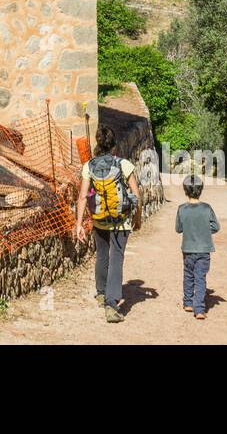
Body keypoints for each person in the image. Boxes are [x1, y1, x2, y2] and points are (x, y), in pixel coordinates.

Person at [74, 125, 141, 323]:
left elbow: (82, 196)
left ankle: (101, 293)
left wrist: (78, 224)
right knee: (116, 258)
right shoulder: (124, 164)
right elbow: (137, 195)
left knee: (102, 255)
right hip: (121, 221)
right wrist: (137, 219)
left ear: (98, 143)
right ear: (114, 144)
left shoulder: (89, 166)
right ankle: (111, 305)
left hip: (99, 218)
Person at [176, 174, 219, 319]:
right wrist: (205, 231)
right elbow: (216, 226)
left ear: (185, 190)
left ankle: (188, 302)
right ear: (201, 190)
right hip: (204, 249)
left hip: (187, 249)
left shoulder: (181, 209)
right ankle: (199, 309)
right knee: (200, 277)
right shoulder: (207, 208)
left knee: (188, 275)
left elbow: (178, 228)